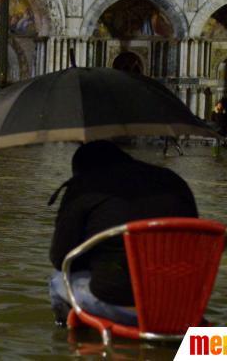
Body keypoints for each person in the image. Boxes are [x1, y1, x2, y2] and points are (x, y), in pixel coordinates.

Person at [48, 140, 198, 326]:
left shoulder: (85, 185)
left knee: (57, 279)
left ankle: (74, 344)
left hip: (119, 303)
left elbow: (59, 258)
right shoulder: (173, 181)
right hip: (182, 303)